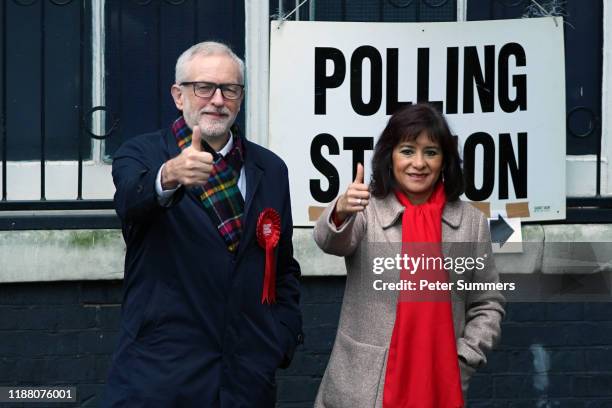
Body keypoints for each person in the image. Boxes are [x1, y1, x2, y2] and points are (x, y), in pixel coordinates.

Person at [102, 41, 303, 407]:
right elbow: (131, 202)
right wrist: (169, 175)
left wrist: (281, 337)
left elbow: (284, 268)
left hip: (246, 381)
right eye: (203, 88)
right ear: (178, 96)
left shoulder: (270, 169)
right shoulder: (141, 154)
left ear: (240, 98)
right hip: (160, 381)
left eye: (230, 89)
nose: (217, 100)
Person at [313, 103, 504, 407]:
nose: (419, 163)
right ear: (390, 155)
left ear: (445, 161)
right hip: (364, 386)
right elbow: (329, 240)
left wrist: (463, 358)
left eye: (431, 152)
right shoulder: (366, 211)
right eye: (407, 150)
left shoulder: (471, 223)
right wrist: (340, 210)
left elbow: (487, 303)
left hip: (438, 385)